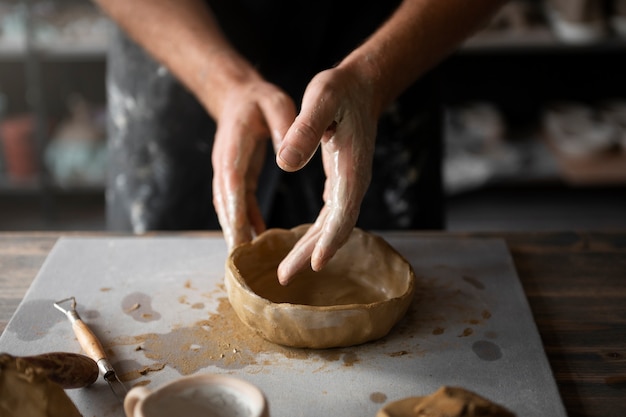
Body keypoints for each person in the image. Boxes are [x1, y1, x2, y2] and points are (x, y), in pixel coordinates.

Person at [92, 0, 504, 285]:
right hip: (184, 52)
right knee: (159, 293)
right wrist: (223, 83)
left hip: (382, 50)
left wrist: (373, 78)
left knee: (386, 281)